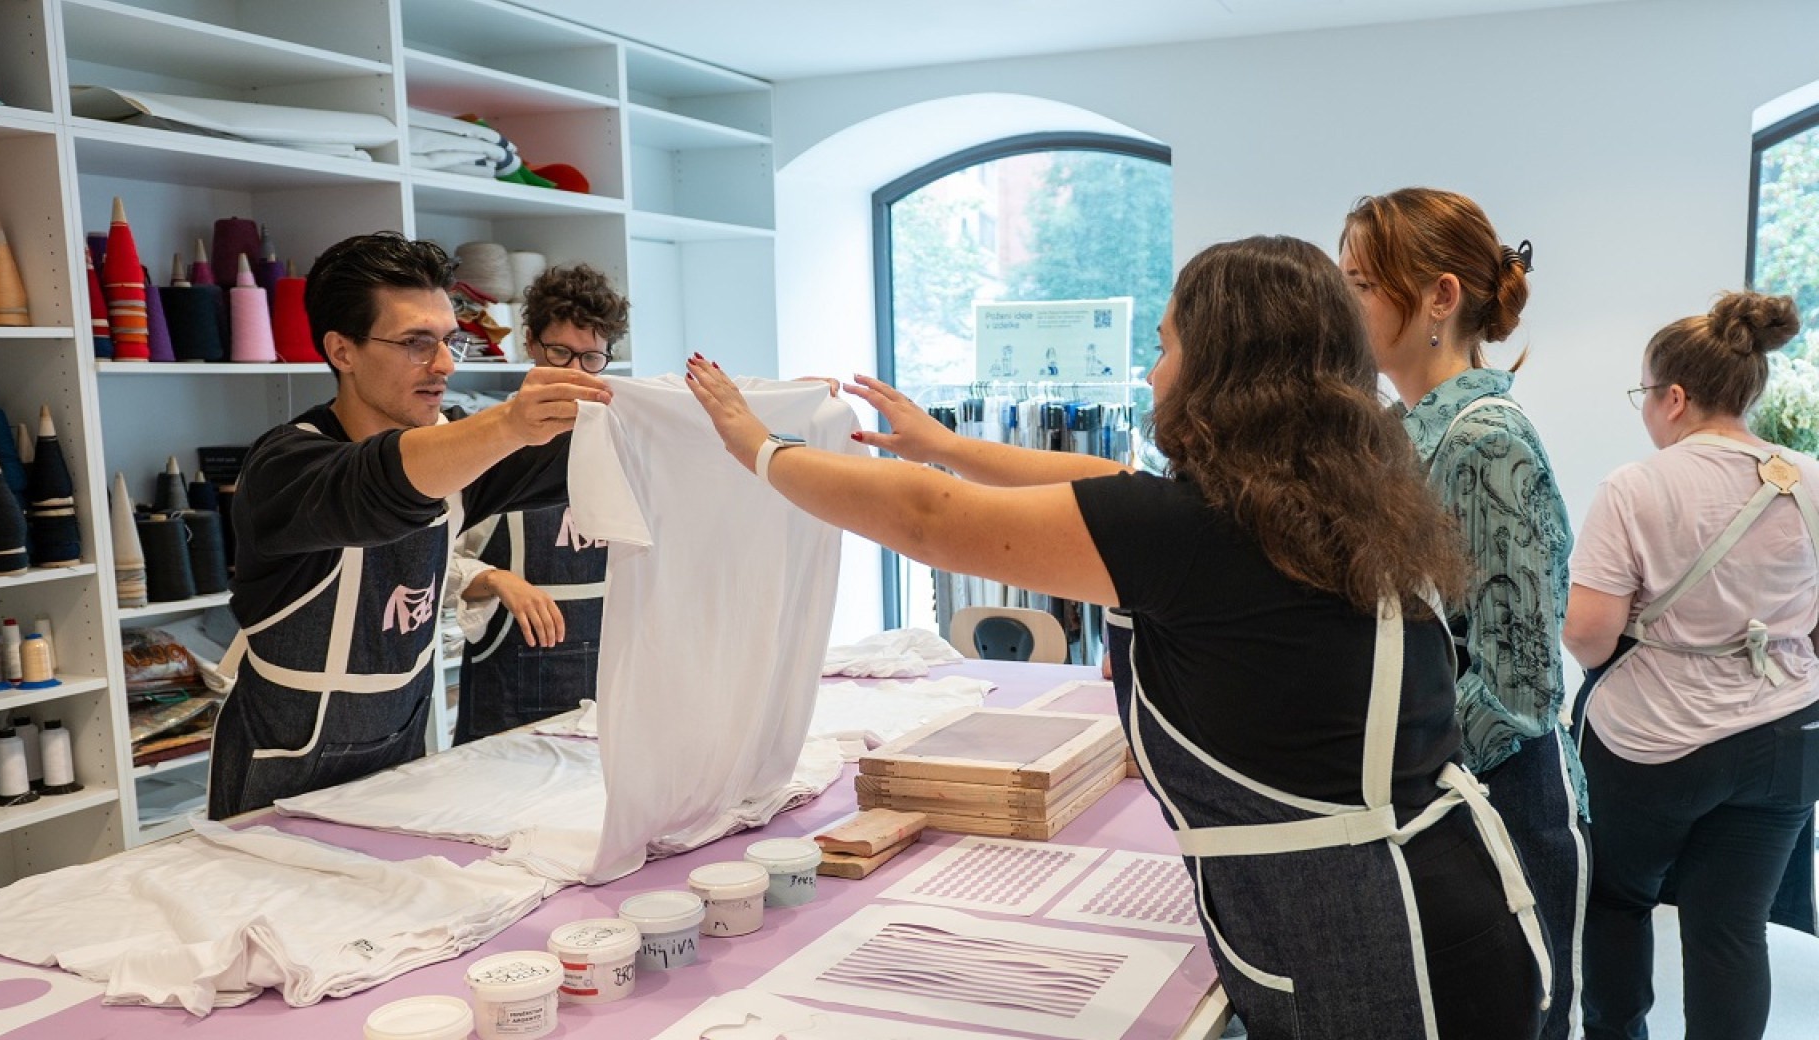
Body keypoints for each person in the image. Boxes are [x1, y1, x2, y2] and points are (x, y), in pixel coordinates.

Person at [687, 235, 1549, 1038]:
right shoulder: (1334, 493)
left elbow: (929, 519)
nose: (1150, 367)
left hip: (1378, 946)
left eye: (1168, 345)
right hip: (1447, 900)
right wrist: (946, 444)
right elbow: (1109, 484)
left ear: (1222, 368)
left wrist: (760, 449)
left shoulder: (1201, 531)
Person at [209, 232, 611, 818]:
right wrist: (506, 426)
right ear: (342, 350)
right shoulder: (286, 468)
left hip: (400, 767)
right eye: (417, 343)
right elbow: (381, 482)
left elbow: (591, 459)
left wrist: (742, 434)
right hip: (278, 786)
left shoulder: (460, 454)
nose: (444, 365)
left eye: (449, 342)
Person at [1339, 188, 1586, 1040]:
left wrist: (1399, 776)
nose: (1346, 306)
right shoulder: (1415, 433)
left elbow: (1517, 687)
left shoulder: (1482, 440)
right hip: (1454, 802)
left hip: (1498, 808)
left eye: (1363, 284)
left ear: (1440, 298)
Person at [1564, 291, 1819, 1040]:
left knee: (1616, 899)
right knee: (1731, 927)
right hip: (1785, 742)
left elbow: (1588, 636)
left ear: (1673, 397)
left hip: (1654, 746)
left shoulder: (1635, 487)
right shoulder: (1810, 479)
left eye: (1645, 394)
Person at [446, 264, 628, 742]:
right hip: (507, 697)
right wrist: (492, 578)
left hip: (607, 685)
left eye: (591, 358)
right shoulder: (482, 443)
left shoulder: (625, 445)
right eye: (560, 352)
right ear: (529, 343)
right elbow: (422, 560)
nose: (574, 372)